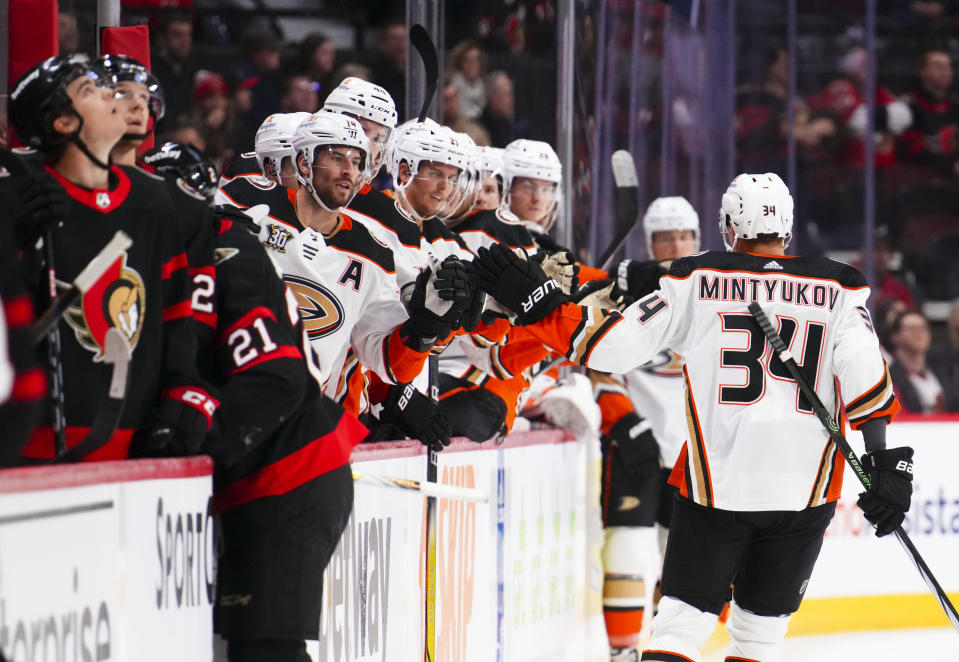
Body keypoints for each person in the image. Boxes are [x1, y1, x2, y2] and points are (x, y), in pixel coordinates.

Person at [472, 172, 909, 661]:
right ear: (785, 225)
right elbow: (864, 372)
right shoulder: (840, 285)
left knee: (679, 632)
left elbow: (611, 349)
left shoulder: (696, 279)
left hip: (717, 486)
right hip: (804, 492)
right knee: (758, 639)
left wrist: (539, 305)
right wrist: (884, 462)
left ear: (728, 225)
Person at [5, 55, 213, 461]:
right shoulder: (16, 197)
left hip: (132, 445)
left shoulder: (155, 202)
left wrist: (184, 393)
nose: (112, 95)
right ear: (63, 123)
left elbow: (174, 320)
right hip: (29, 451)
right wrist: (19, 249)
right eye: (92, 90)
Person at [591, 197, 700, 661]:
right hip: (635, 447)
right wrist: (623, 419)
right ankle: (621, 654)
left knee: (689, 571)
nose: (675, 245)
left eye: (683, 236)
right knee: (628, 553)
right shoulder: (627, 290)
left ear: (696, 240)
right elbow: (595, 358)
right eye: (664, 237)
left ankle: (662, 648)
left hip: (694, 455)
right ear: (649, 241)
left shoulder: (714, 293)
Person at [900, 48, 959, 178]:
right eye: (938, 67)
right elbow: (911, 150)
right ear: (922, 71)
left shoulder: (955, 106)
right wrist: (950, 167)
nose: (946, 72)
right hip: (918, 182)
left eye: (948, 67)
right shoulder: (908, 106)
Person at [888, 309, 956, 413]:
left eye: (923, 328)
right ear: (895, 336)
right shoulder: (889, 377)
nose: (919, 332)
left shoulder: (944, 370)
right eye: (911, 328)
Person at [150, 13, 197, 133]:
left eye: (188, 35)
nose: (185, 41)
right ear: (161, 39)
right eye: (177, 35)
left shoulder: (189, 70)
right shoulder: (152, 72)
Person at [448, 40, 487, 121]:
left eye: (476, 60)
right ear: (460, 63)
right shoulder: (454, 84)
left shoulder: (481, 85)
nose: (472, 65)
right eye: (468, 61)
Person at [481, 71, 515, 147]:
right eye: (506, 94)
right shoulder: (478, 129)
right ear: (493, 97)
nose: (510, 101)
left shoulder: (507, 125)